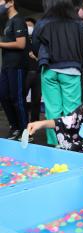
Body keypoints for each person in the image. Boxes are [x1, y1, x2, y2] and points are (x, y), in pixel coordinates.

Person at [32, 0, 83, 146]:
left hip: (49, 69)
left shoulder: (42, 22)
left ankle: (55, 144)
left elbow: (35, 45)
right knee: (72, 111)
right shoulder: (78, 23)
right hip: (71, 70)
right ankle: (70, 143)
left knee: (52, 110)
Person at [0, 0, 28, 140]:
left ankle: (25, 131)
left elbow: (21, 44)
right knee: (3, 96)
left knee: (17, 99)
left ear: (10, 2)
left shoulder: (18, 20)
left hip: (17, 65)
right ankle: (15, 127)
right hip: (6, 65)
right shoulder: (8, 22)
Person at [25, 18, 41, 130]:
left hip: (38, 73)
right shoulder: (22, 41)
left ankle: (34, 123)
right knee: (22, 98)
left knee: (36, 100)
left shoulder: (39, 40)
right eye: (26, 26)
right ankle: (23, 122)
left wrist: (35, 57)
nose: (28, 28)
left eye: (30, 25)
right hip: (26, 73)